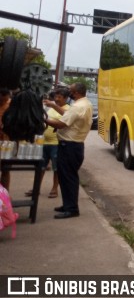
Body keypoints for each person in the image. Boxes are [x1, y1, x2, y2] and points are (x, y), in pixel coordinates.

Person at [44, 82, 93, 219]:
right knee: (65, 178)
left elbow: (61, 123)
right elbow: (68, 114)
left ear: (76, 93)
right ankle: (67, 205)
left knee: (69, 178)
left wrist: (45, 119)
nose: (68, 93)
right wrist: (54, 105)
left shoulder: (77, 106)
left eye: (70, 91)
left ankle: (71, 209)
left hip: (69, 147)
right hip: (74, 146)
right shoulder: (85, 104)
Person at [26, 88, 69, 198]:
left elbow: (61, 123)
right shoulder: (50, 108)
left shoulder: (68, 109)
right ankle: (36, 188)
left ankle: (55, 188)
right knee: (41, 167)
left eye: (59, 97)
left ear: (66, 98)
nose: (56, 99)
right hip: (44, 142)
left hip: (56, 143)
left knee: (56, 168)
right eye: (56, 97)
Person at [0, 88, 12, 188]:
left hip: (6, 140)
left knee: (6, 168)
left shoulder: (12, 105)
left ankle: (5, 194)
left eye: (5, 99)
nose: (3, 101)